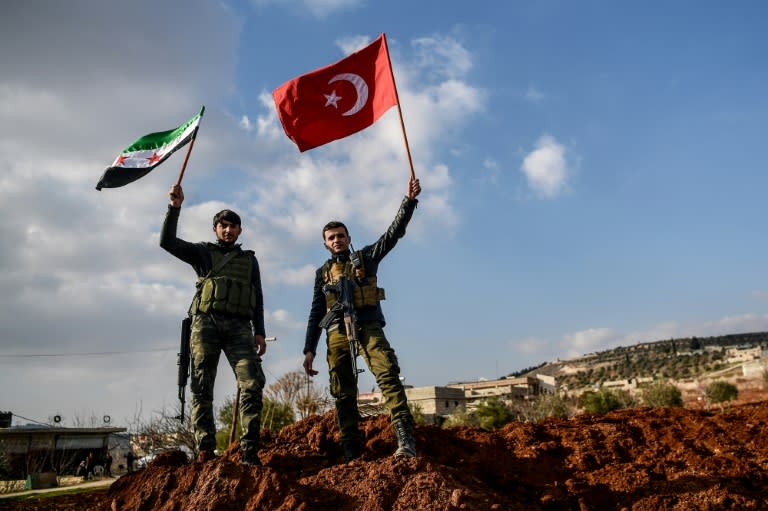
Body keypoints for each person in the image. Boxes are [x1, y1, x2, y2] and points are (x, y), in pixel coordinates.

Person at [303, 176, 421, 461]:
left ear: (349, 238)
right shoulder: (322, 273)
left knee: (387, 375)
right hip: (335, 333)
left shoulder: (366, 257)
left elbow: (392, 235)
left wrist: (409, 202)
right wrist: (309, 349)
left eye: (341, 236)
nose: (337, 240)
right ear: (325, 244)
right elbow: (316, 309)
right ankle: (350, 449)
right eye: (331, 238)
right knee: (342, 390)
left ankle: (405, 439)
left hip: (367, 326)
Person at [160, 184, 267, 466]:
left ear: (240, 231)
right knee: (202, 386)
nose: (228, 230)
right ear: (215, 229)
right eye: (223, 226)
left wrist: (260, 332)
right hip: (206, 325)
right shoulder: (203, 253)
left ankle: (249, 450)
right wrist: (174, 208)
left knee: (252, 383)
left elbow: (257, 295)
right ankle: (206, 449)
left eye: (233, 226)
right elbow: (167, 242)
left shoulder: (249, 260)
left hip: (240, 329)